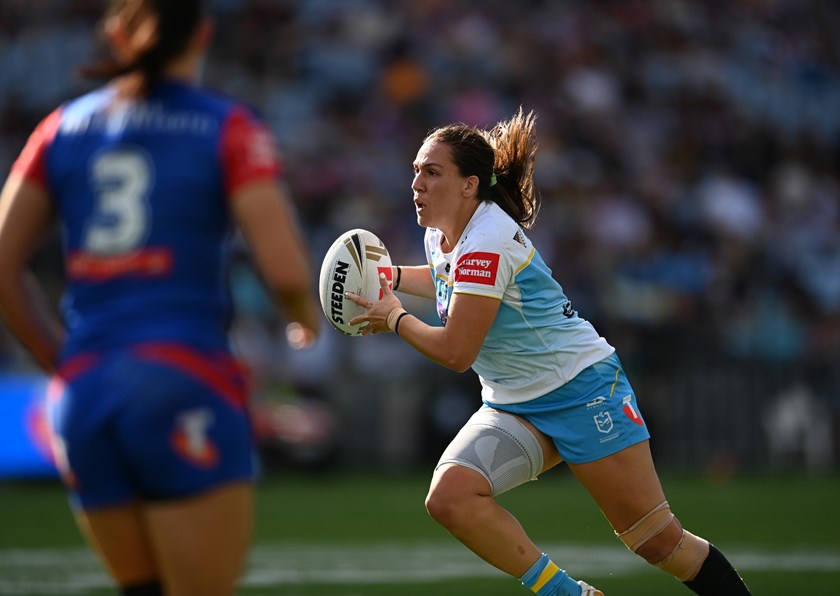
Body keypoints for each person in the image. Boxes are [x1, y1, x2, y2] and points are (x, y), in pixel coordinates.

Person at [347, 109, 751, 596]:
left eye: (432, 172)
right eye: (416, 170)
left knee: (658, 543)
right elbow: (446, 278)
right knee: (450, 498)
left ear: (469, 184)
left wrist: (394, 318)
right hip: (515, 403)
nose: (417, 183)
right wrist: (390, 277)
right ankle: (568, 594)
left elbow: (456, 351)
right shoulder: (442, 232)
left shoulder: (488, 241)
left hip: (582, 389)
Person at [0, 1, 320, 595]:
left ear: (118, 35)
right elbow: (287, 273)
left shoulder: (59, 128)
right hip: (182, 378)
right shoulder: (228, 125)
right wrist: (304, 320)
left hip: (84, 397)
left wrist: (62, 364)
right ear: (201, 35)